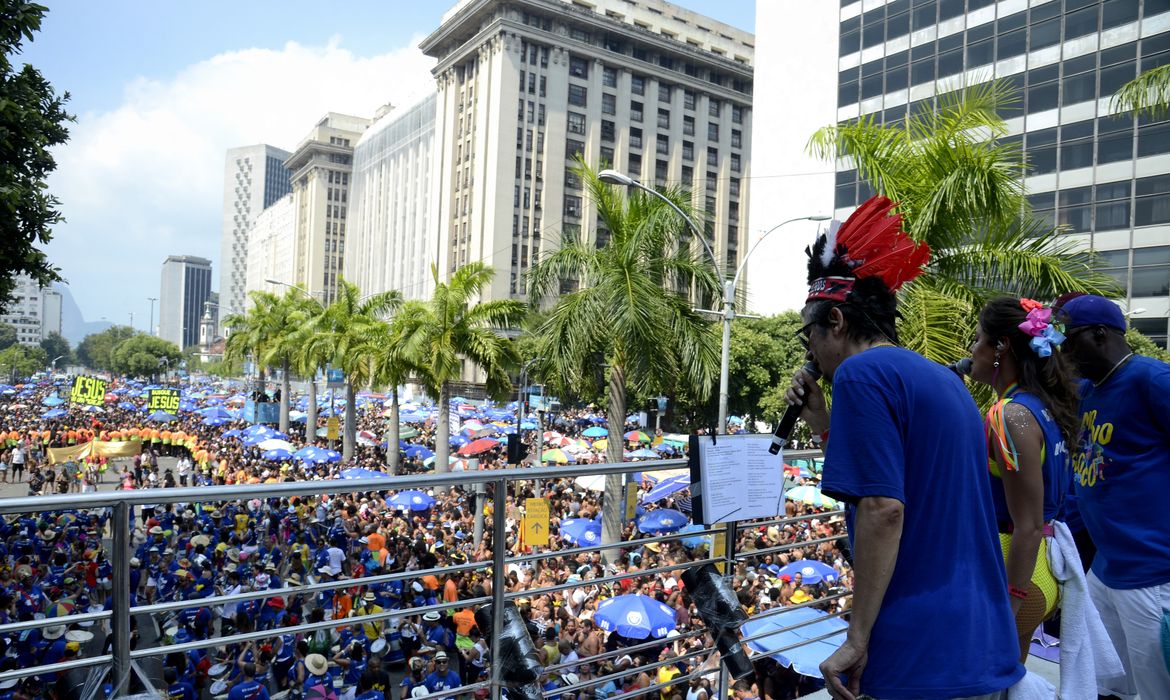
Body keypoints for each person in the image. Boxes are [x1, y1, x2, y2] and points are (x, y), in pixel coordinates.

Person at [786, 196, 1023, 699]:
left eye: (808, 335)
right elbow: (908, 481)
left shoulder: (860, 373)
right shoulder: (940, 379)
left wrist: (856, 637)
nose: (808, 350)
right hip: (976, 637)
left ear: (836, 322)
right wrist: (826, 425)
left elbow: (883, 509)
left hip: (921, 647)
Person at [1056, 293, 1170, 698]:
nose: (1062, 353)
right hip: (1104, 572)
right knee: (1108, 685)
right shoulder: (1088, 391)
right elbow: (1085, 469)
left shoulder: (1151, 380)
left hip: (1151, 574)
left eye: (1068, 341)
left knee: (1158, 688)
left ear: (1099, 334)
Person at [968, 296, 1079, 660]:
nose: (972, 348)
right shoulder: (1042, 406)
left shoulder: (1009, 416)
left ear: (1001, 347)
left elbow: (1026, 526)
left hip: (1012, 573)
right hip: (1039, 569)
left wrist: (1010, 604)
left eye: (978, 337)